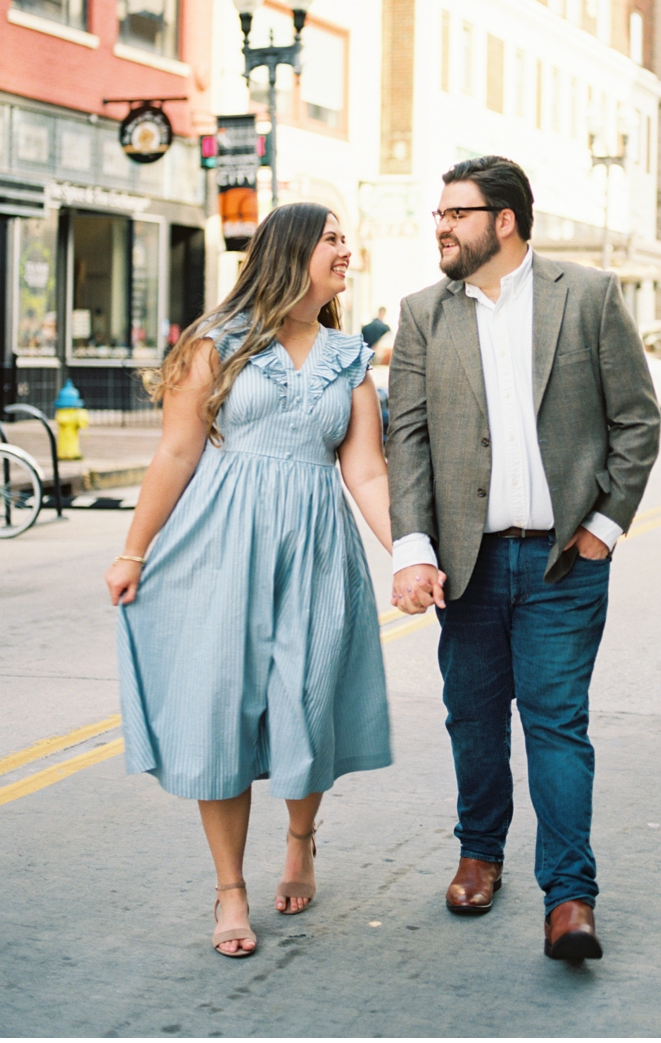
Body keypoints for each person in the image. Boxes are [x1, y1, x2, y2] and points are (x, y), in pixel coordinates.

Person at [106, 203, 421, 958]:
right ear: (291, 251)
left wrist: (407, 551)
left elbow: (367, 469)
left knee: (308, 704)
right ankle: (230, 890)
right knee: (221, 712)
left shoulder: (350, 356)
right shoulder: (217, 344)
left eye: (348, 236)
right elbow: (177, 454)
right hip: (220, 545)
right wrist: (134, 551)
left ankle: (301, 837)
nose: (348, 249)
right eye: (334, 238)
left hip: (315, 548)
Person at [387, 156, 660, 962]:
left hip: (561, 564)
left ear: (503, 219)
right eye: (436, 214)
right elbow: (408, 441)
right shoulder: (422, 314)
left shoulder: (588, 296)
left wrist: (603, 526)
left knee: (556, 725)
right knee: (472, 719)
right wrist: (414, 547)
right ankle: (480, 852)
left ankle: (570, 897)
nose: (440, 226)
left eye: (455, 213)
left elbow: (637, 423)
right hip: (465, 566)